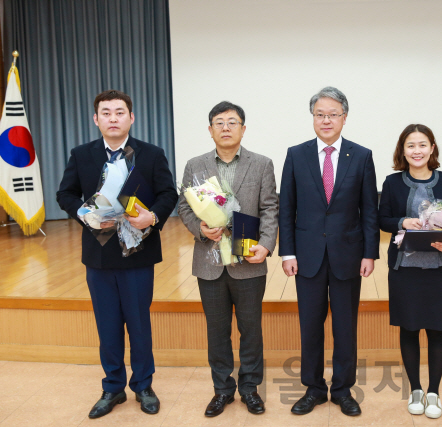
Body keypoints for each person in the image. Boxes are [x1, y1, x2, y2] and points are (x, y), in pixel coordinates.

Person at [57, 90, 178, 418]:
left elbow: (169, 193)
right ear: (96, 119)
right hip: (99, 255)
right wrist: (85, 213)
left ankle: (143, 385)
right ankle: (112, 387)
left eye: (119, 112)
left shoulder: (151, 154)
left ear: (131, 117)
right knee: (107, 324)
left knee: (139, 323)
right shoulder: (82, 154)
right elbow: (65, 193)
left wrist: (151, 216)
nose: (113, 118)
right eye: (106, 113)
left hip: (138, 252)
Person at [279, 87, 379, 417]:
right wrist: (287, 252)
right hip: (306, 256)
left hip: (348, 255)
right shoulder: (296, 154)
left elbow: (369, 210)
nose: (326, 120)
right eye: (320, 114)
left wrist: (369, 253)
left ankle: (342, 389)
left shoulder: (361, 155)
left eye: (333, 114)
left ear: (344, 118)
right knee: (310, 324)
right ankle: (313, 388)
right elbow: (287, 208)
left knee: (345, 326)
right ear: (313, 118)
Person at [177, 101, 278, 418]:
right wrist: (200, 229)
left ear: (243, 129)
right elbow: (183, 207)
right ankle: (222, 390)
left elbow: (270, 209)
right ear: (210, 130)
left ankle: (250, 389)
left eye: (232, 122)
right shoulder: (195, 165)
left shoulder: (261, 164)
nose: (225, 127)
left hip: (249, 259)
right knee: (217, 330)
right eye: (218, 122)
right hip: (209, 260)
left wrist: (265, 244)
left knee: (251, 330)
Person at [378, 124, 442, 419]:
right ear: (403, 150)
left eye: (422, 144)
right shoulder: (391, 182)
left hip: (440, 268)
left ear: (433, 148)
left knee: (438, 329)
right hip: (405, 269)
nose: (417, 151)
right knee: (409, 328)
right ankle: (415, 388)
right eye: (410, 145)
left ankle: (434, 391)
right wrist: (403, 221)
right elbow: (382, 218)